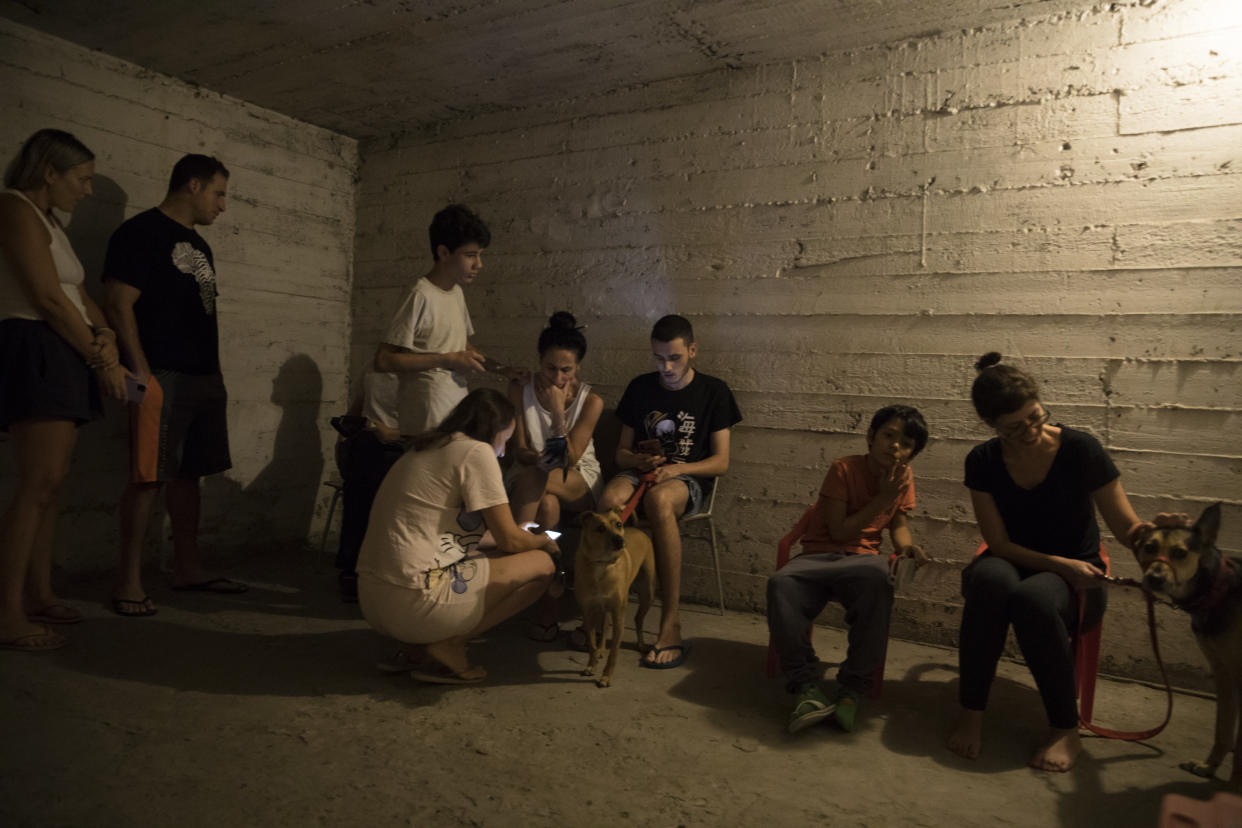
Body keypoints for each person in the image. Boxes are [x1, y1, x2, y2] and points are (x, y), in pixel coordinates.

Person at [946, 351, 1151, 772]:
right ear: (992, 426)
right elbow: (998, 544)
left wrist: (1156, 536)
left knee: (1033, 600)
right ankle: (972, 712)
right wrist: (1057, 563)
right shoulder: (982, 461)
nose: (1031, 431)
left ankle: (1066, 730)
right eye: (1015, 428)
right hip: (1017, 559)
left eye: (1036, 417)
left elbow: (1125, 525)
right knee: (990, 582)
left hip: (1078, 573)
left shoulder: (1080, 449)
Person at [0, 129, 128, 650]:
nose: (87, 190)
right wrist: (100, 358)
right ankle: (7, 613)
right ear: (49, 172)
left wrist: (108, 337)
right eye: (82, 179)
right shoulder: (12, 208)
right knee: (38, 484)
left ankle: (40, 593)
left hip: (63, 348)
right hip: (36, 345)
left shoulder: (53, 222)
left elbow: (78, 295)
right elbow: (48, 300)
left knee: (52, 485)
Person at [102, 153, 244, 617]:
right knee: (147, 478)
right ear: (195, 185)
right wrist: (140, 372)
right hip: (160, 373)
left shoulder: (199, 247)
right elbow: (119, 303)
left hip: (204, 375)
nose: (223, 205)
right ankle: (128, 583)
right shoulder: (140, 233)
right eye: (220, 193)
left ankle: (188, 569)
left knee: (190, 475)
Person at [357, 388, 560, 683]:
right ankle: (448, 643)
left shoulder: (426, 447)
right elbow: (510, 541)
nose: (503, 451)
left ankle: (415, 648)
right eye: (505, 439)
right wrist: (542, 540)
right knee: (543, 566)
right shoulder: (475, 451)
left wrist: (512, 537)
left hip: (374, 599)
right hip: (414, 602)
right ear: (494, 431)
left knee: (488, 556)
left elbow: (449, 535)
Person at [767, 404, 929, 734]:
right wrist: (882, 498)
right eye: (889, 436)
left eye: (907, 443)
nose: (895, 446)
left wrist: (905, 547)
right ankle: (805, 688)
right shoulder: (843, 469)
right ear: (871, 436)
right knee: (780, 583)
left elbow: (898, 523)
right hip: (817, 556)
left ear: (913, 454)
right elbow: (839, 531)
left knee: (878, 580)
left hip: (862, 560)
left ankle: (851, 690)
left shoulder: (903, 479)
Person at [596, 314, 741, 668]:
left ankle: (670, 620)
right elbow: (620, 454)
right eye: (659, 358)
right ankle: (600, 612)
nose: (667, 367)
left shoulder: (714, 391)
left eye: (674, 358)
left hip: (686, 479)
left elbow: (721, 462)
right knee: (609, 500)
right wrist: (640, 462)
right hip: (642, 472)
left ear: (692, 350)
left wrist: (679, 468)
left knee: (660, 500)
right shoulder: (641, 387)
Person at [505, 311, 604, 641]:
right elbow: (518, 449)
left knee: (540, 477)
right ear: (539, 361)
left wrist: (559, 410)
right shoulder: (520, 389)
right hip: (535, 479)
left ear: (578, 368)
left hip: (579, 481)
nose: (558, 377)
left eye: (567, 370)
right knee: (547, 506)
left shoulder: (591, 401)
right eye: (550, 368)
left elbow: (570, 459)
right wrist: (536, 457)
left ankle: (513, 555)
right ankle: (551, 598)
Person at [373, 203, 511, 436]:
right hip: (426, 410)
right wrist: (447, 360)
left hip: (455, 405)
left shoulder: (456, 292)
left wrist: (503, 369)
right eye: (470, 255)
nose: (479, 264)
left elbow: (459, 346)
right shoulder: (420, 293)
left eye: (480, 255)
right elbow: (384, 360)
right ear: (444, 253)